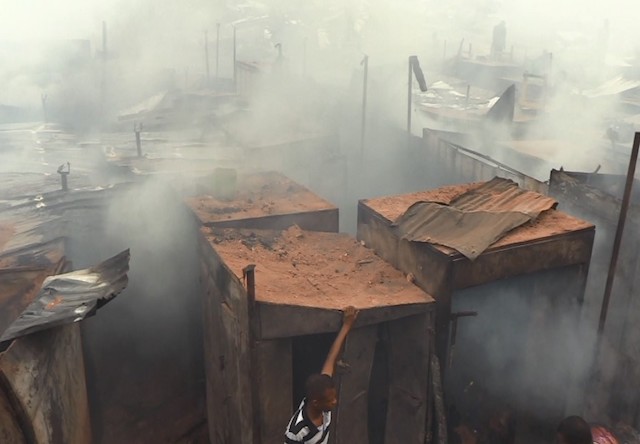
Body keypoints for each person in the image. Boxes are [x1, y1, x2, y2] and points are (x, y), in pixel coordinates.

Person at [284, 306, 358, 444]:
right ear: (316, 403)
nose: (335, 401)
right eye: (331, 400)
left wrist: (347, 326)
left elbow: (331, 358)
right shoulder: (296, 432)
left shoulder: (322, 398)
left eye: (334, 397)